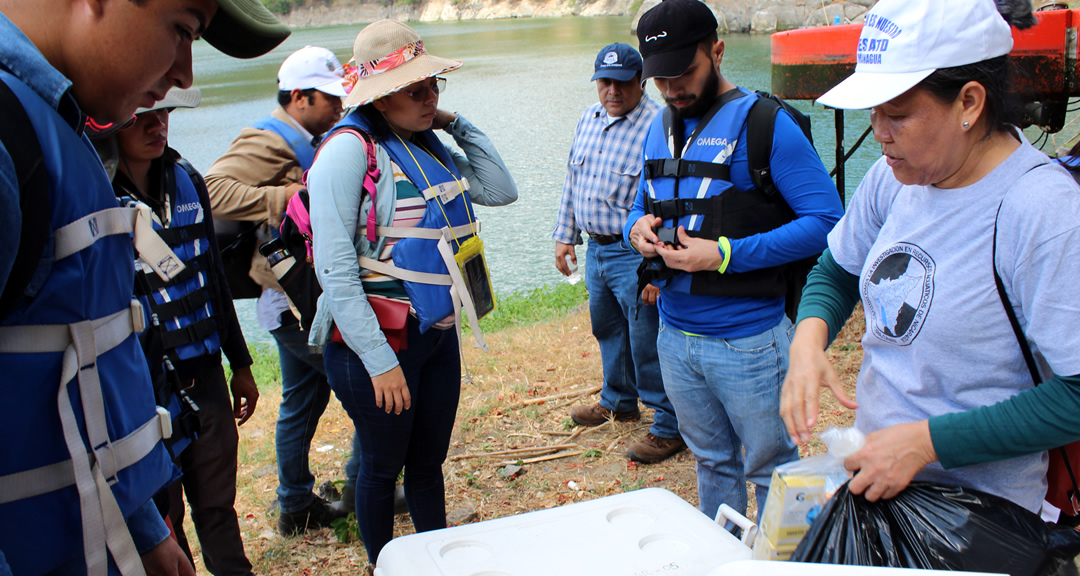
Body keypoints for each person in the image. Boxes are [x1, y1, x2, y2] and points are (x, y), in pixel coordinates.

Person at [0, 0, 289, 574]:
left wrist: (141, 529)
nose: (184, 73)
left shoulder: (59, 124)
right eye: (182, 30)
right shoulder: (13, 144)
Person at [780, 0, 1080, 517]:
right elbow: (837, 269)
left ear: (969, 102)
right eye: (872, 112)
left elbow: (1074, 395)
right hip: (880, 485)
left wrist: (927, 443)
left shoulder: (1043, 212)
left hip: (981, 516)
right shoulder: (893, 178)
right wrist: (808, 340)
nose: (879, 132)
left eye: (896, 114)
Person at [307, 19, 518, 566]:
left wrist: (454, 122)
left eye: (433, 87)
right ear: (379, 97)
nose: (429, 98)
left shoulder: (426, 143)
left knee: (427, 464)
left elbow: (500, 189)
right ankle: (386, 564)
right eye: (415, 90)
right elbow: (334, 268)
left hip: (435, 337)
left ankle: (437, 560)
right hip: (376, 347)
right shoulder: (348, 151)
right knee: (381, 467)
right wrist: (379, 361)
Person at [625, 0, 844, 522]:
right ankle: (722, 554)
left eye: (685, 71)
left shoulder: (768, 126)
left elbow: (829, 222)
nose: (673, 88)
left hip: (748, 342)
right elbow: (645, 200)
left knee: (772, 469)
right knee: (710, 462)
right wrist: (638, 229)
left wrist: (724, 255)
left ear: (717, 51)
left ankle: (780, 562)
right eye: (661, 79)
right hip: (674, 338)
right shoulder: (660, 124)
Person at [204, 45, 363, 536]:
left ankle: (294, 506)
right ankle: (364, 489)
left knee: (301, 401)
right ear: (299, 97)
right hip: (295, 306)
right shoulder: (268, 139)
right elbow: (211, 189)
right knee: (369, 387)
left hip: (289, 303)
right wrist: (290, 196)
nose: (339, 107)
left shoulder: (310, 136)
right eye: (330, 99)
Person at [110, 87, 259, 576]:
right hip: (145, 385)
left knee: (217, 500)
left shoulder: (187, 178)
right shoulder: (101, 193)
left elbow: (214, 279)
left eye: (165, 115)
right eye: (142, 118)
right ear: (112, 122)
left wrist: (240, 364)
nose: (158, 126)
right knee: (164, 512)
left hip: (205, 371)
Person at [553, 43, 684, 464]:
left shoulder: (658, 125)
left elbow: (669, 199)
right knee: (607, 327)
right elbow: (573, 182)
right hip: (596, 249)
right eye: (604, 81)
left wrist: (657, 264)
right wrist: (564, 235)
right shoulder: (587, 120)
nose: (612, 90)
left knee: (647, 337)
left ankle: (669, 423)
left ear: (640, 82)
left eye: (622, 82)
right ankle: (619, 400)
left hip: (634, 253)